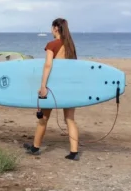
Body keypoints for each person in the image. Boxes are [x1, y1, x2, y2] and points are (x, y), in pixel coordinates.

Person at [24, 18, 80, 160]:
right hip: (69, 86)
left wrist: (43, 86)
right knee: (70, 119)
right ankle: (74, 152)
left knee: (43, 117)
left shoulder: (52, 44)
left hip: (53, 87)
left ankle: (35, 147)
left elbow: (48, 65)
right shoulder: (70, 46)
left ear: (55, 28)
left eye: (51, 27)